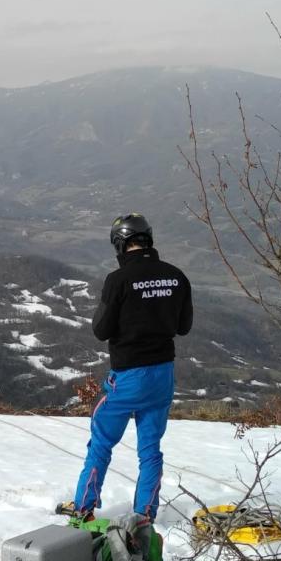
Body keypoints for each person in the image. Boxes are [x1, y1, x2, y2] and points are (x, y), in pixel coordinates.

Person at [63, 213, 193, 522]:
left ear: (121, 244)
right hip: (162, 375)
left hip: (129, 376)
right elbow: (184, 326)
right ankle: (144, 514)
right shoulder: (177, 276)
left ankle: (83, 507)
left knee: (101, 442)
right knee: (150, 449)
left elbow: (101, 330)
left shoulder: (117, 280)